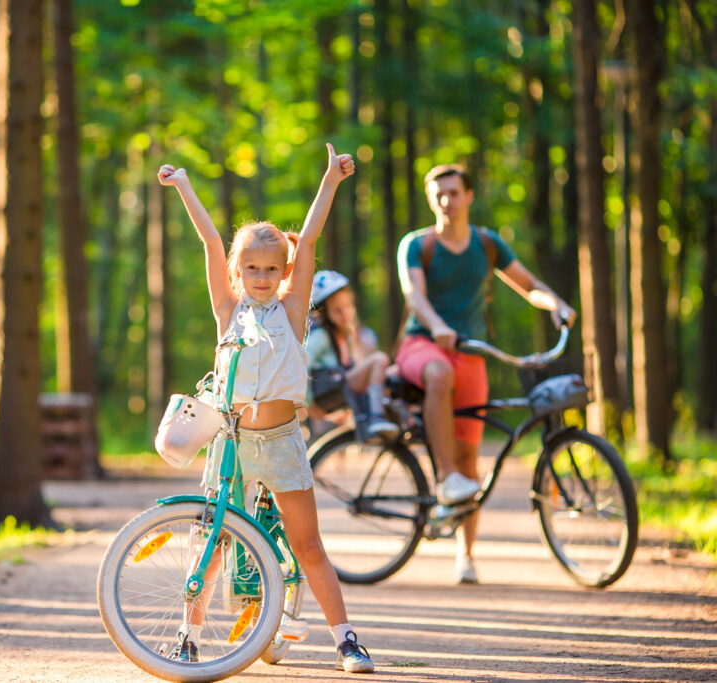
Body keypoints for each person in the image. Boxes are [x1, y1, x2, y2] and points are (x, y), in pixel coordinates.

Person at [158, 143, 375, 674]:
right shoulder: (227, 311)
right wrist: (183, 183)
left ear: (285, 271)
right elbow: (211, 238)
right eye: (250, 267)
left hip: (281, 444)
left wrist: (332, 179)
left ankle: (347, 640)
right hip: (230, 443)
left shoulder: (294, 310)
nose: (260, 276)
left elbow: (313, 233)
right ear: (236, 272)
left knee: (308, 544)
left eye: (271, 268)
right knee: (210, 540)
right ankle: (187, 639)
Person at [396, 162, 576, 584]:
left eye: (454, 192)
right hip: (424, 345)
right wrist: (438, 325)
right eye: (438, 194)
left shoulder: (487, 244)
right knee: (439, 373)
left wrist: (557, 305)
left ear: (469, 195)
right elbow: (414, 296)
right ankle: (444, 481)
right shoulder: (416, 245)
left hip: (472, 354)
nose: (446, 200)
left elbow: (530, 286)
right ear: (430, 198)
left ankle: (467, 556)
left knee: (471, 457)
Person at [306, 270, 398, 441]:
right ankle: (376, 417)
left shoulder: (345, 335)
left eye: (348, 307)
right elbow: (303, 363)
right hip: (328, 389)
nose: (345, 314)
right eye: (337, 310)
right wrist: (307, 402)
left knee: (395, 373)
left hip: (339, 383)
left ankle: (396, 418)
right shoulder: (322, 336)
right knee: (380, 359)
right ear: (325, 313)